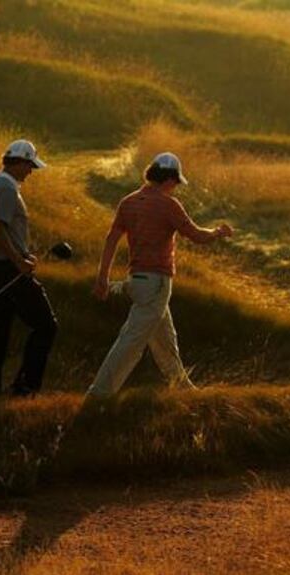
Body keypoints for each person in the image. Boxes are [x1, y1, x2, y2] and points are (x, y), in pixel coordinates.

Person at [87, 152, 233, 397]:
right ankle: (98, 394)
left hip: (137, 281)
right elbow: (197, 235)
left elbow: (111, 239)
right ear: (169, 179)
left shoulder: (129, 202)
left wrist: (103, 277)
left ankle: (185, 391)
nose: (176, 188)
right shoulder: (168, 205)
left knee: (166, 343)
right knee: (131, 342)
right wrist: (218, 232)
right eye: (176, 183)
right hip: (156, 284)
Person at [0, 139, 58, 400]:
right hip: (6, 271)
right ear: (19, 162)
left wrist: (22, 253)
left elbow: (2, 230)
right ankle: (24, 389)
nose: (31, 171)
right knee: (46, 326)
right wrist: (18, 261)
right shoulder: (6, 189)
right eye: (29, 165)